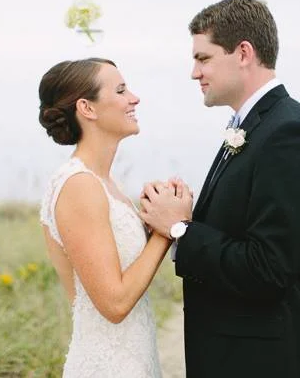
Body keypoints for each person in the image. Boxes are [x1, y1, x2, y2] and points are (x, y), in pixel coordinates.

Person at [140, 0, 300, 378]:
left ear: (243, 52)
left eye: (204, 58)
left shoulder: (288, 133)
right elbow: (245, 231)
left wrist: (181, 230)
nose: (194, 73)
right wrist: (183, 214)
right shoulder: (254, 126)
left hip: (267, 364)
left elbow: (268, 268)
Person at [37, 57, 193, 378]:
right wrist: (166, 231)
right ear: (88, 108)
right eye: (121, 90)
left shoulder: (107, 184)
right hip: (107, 366)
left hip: (134, 360)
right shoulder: (79, 185)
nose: (134, 98)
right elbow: (114, 304)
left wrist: (157, 217)